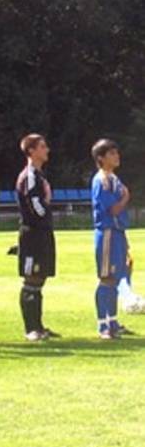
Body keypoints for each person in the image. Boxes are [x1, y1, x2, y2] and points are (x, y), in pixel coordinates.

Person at [15, 134, 61, 341]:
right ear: (31, 151)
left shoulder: (39, 175)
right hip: (33, 234)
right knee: (31, 278)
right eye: (42, 147)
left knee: (40, 278)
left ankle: (39, 326)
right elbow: (35, 205)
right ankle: (31, 329)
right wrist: (47, 211)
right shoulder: (30, 176)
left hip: (42, 233)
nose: (47, 150)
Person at [90, 139, 132, 339]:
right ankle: (102, 324)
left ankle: (113, 321)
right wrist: (125, 198)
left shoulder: (114, 178)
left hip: (117, 233)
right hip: (107, 233)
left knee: (115, 278)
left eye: (116, 152)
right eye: (112, 153)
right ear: (101, 158)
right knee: (106, 278)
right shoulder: (102, 180)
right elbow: (113, 209)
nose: (117, 156)